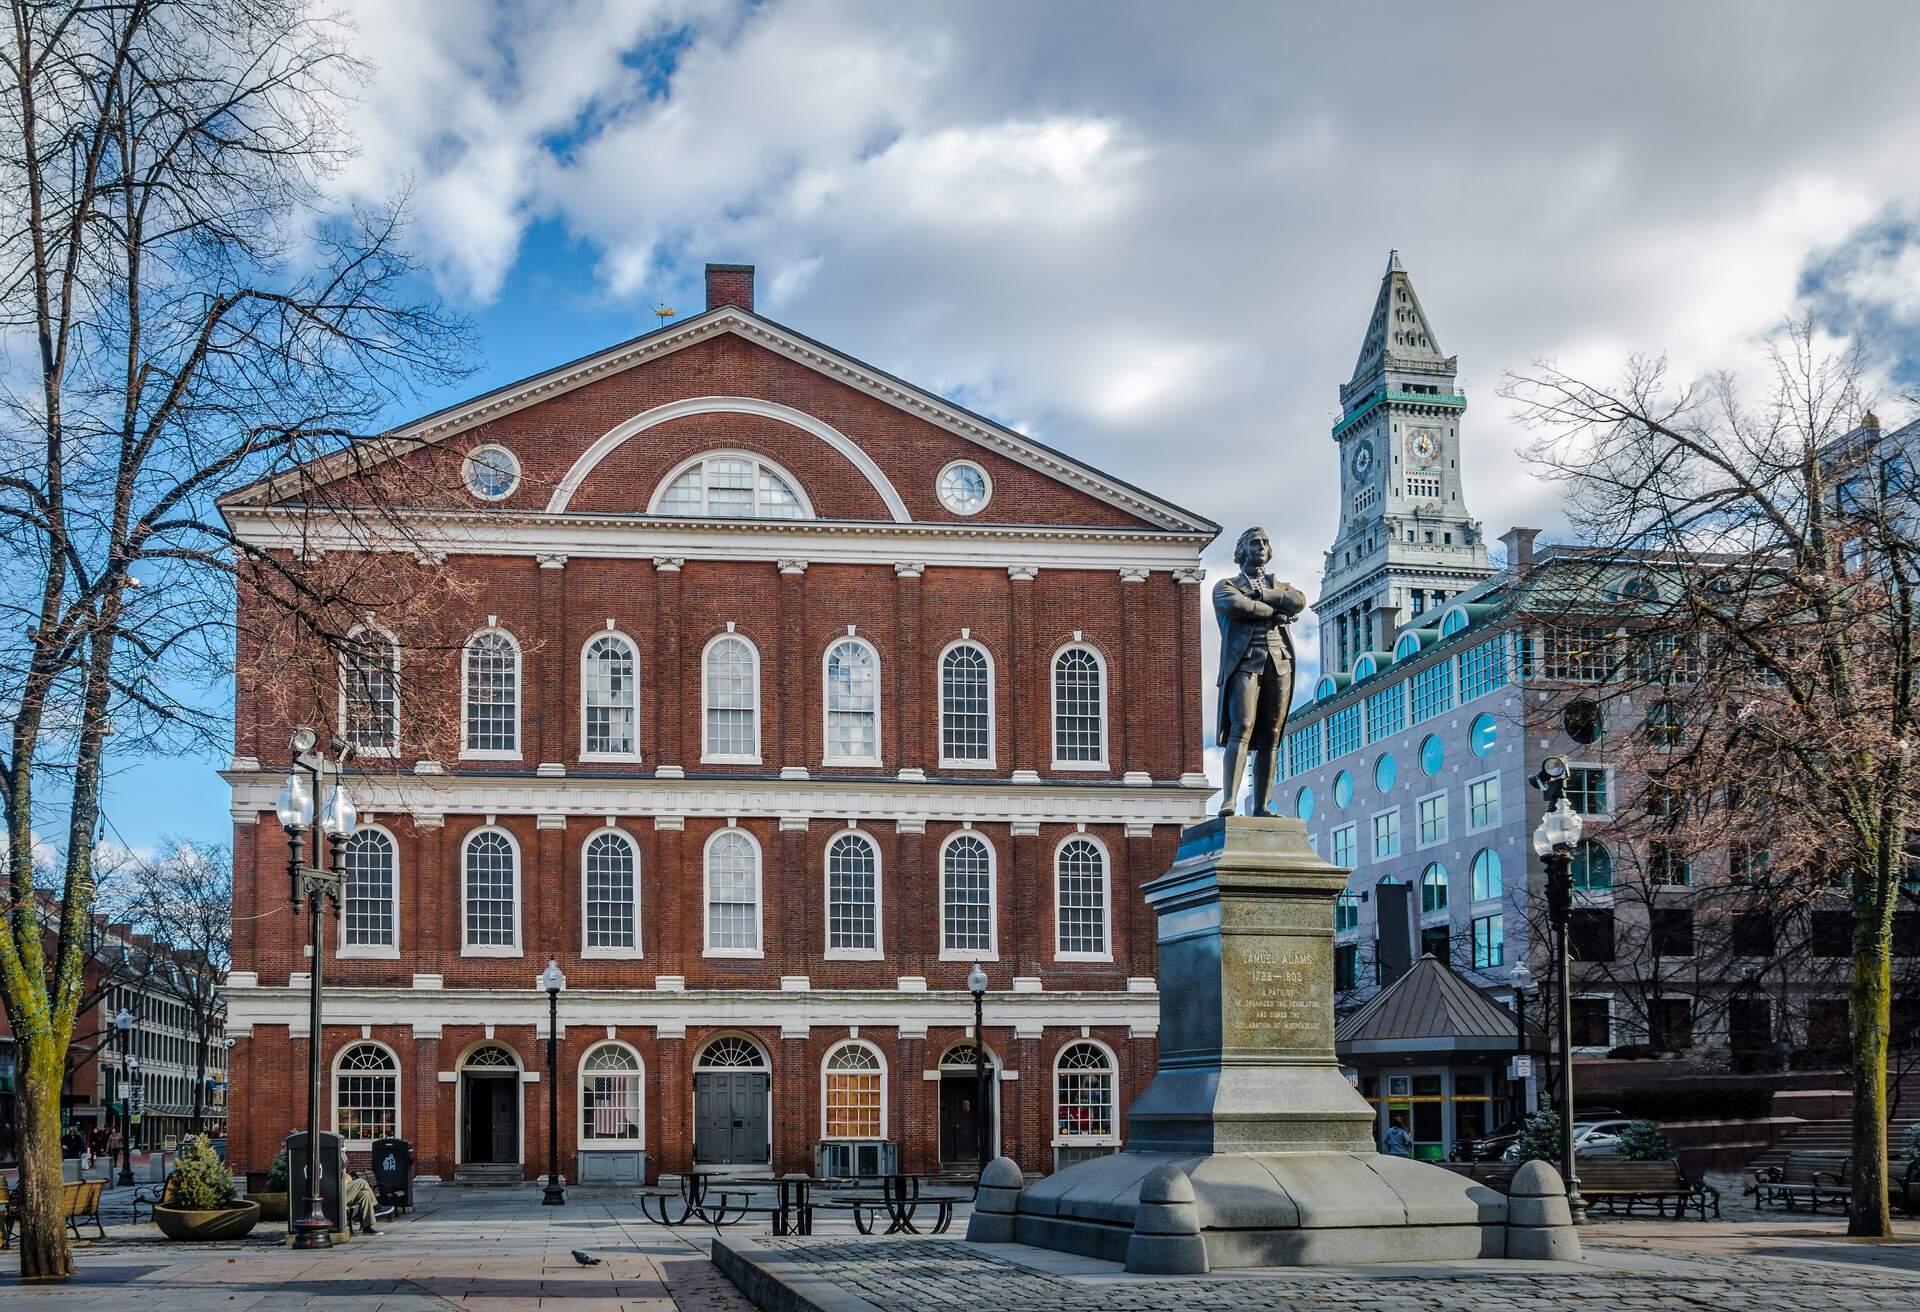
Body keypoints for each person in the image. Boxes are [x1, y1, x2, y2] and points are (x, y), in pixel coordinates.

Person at [1212, 526, 1307, 817]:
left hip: (1279, 662)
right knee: (1241, 727)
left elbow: (1299, 601)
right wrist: (1272, 609)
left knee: (1272, 733)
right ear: (1242, 550)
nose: (1262, 547)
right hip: (1245, 662)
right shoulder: (1226, 585)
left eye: (1265, 542)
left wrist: (1265, 594)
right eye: (1255, 542)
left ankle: (1261, 806)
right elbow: (1236, 605)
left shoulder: (1280, 586)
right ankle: (1229, 801)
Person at [343, 1167, 381, 1235]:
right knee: (361, 1181)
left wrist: (345, 1181)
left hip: (344, 1194)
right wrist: (345, 1182)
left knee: (365, 1194)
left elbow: (348, 1177)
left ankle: (367, 1227)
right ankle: (376, 1206)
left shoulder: (339, 1164)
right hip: (336, 1195)